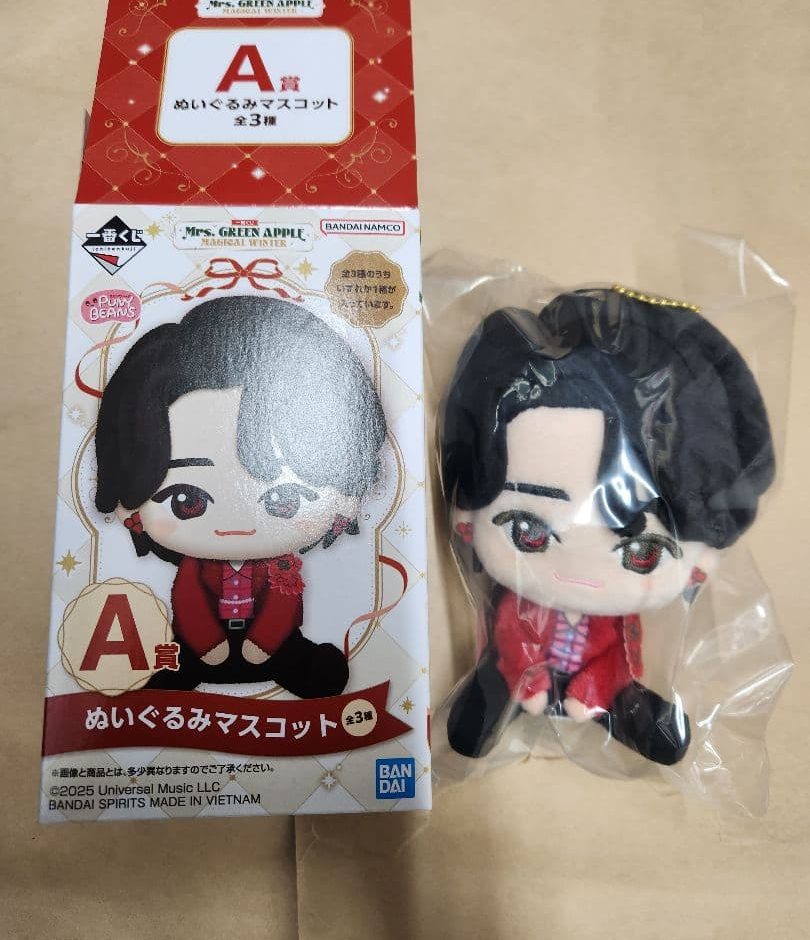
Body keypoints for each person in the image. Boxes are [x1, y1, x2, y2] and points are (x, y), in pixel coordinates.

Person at [440, 286, 774, 764]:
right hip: (522, 670)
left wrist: (592, 689)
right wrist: (529, 678)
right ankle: (498, 695)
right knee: (501, 672)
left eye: (643, 552)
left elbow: (615, 657)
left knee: (620, 693)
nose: (577, 571)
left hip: (597, 680)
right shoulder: (519, 603)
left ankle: (620, 711)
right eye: (527, 531)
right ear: (468, 521)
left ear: (702, 561)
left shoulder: (613, 621)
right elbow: (512, 637)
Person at [94, 294, 386, 695]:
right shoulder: (196, 569)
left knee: (303, 663)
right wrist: (207, 644)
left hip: (273, 646)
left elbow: (282, 606)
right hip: (202, 646)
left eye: (284, 500)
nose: (235, 525)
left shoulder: (282, 568)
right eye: (187, 500)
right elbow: (189, 601)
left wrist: (263, 644)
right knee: (175, 666)